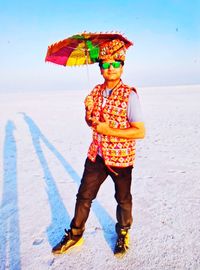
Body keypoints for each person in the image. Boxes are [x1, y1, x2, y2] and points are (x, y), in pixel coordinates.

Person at [52, 38, 145, 257]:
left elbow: (139, 131)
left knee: (123, 199)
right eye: (105, 64)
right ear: (100, 68)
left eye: (115, 64)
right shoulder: (94, 92)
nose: (110, 68)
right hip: (97, 155)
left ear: (122, 66)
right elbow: (91, 123)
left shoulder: (129, 95)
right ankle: (75, 234)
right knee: (84, 196)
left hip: (121, 160)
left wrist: (108, 130)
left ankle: (123, 232)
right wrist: (88, 112)